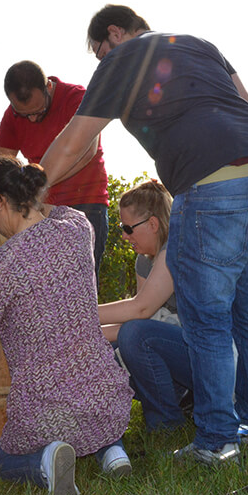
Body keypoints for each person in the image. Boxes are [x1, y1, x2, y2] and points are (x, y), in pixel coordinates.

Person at [40, 5, 248, 465]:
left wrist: (30, 192)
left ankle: (216, 440)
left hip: (212, 183)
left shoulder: (124, 57)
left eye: (100, 52)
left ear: (115, 33)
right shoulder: (198, 45)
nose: (102, 63)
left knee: (205, 316)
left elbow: (78, 140)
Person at [0, 158, 134, 495]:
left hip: (47, 404)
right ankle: (113, 452)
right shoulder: (78, 228)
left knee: (3, 460)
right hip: (103, 390)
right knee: (93, 405)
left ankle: (47, 461)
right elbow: (58, 211)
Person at [0, 61, 109, 283]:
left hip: (86, 204)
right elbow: (1, 166)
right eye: (23, 114)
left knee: (79, 288)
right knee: (46, 289)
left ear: (48, 87)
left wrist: (38, 184)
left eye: (39, 111)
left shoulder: (77, 98)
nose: (33, 119)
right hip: (43, 211)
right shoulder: (11, 116)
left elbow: (86, 152)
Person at [98, 180, 193, 431]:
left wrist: (76, 316)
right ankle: (180, 400)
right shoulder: (144, 261)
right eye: (122, 227)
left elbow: (141, 311)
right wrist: (83, 334)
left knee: (134, 335)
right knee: (109, 346)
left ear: (152, 224)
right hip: (178, 347)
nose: (124, 236)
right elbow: (139, 318)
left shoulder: (176, 249)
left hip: (205, 353)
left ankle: (166, 423)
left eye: (128, 228)